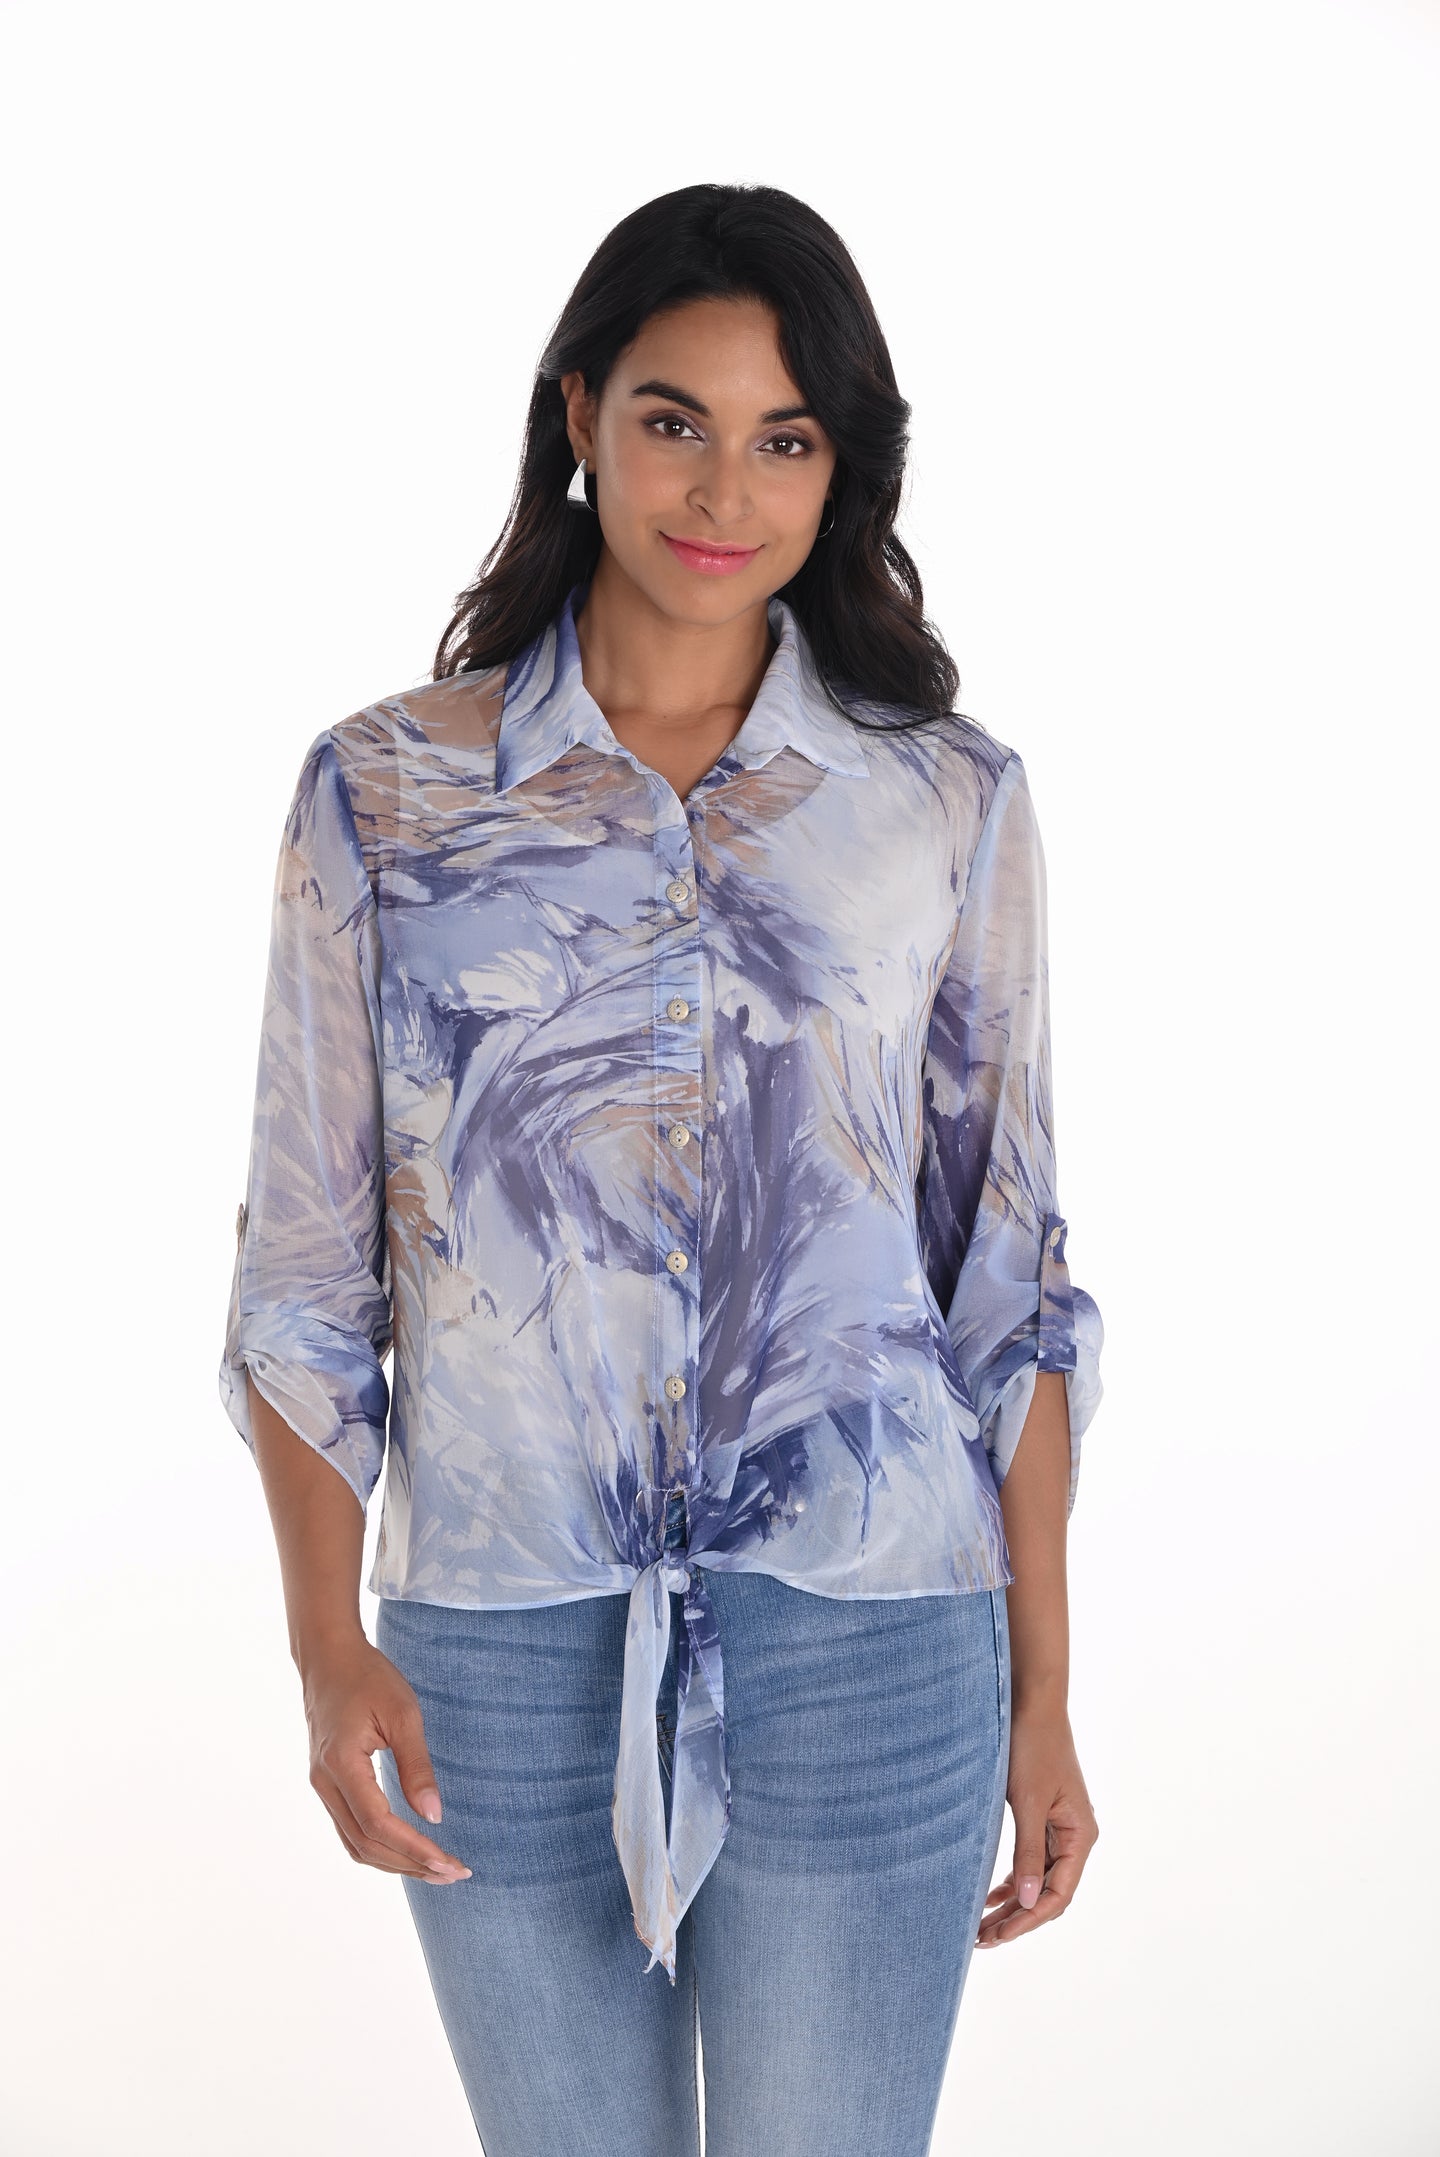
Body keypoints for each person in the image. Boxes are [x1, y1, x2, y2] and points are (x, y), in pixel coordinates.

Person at [219, 180, 1105, 2157]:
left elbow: (1007, 1277)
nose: (724, 488)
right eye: (675, 419)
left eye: (787, 438)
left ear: (843, 467)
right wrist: (325, 1644)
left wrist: (1045, 1688)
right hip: (500, 1652)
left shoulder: (944, 801)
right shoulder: (388, 791)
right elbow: (304, 1278)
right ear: (579, 416)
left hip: (875, 1634)